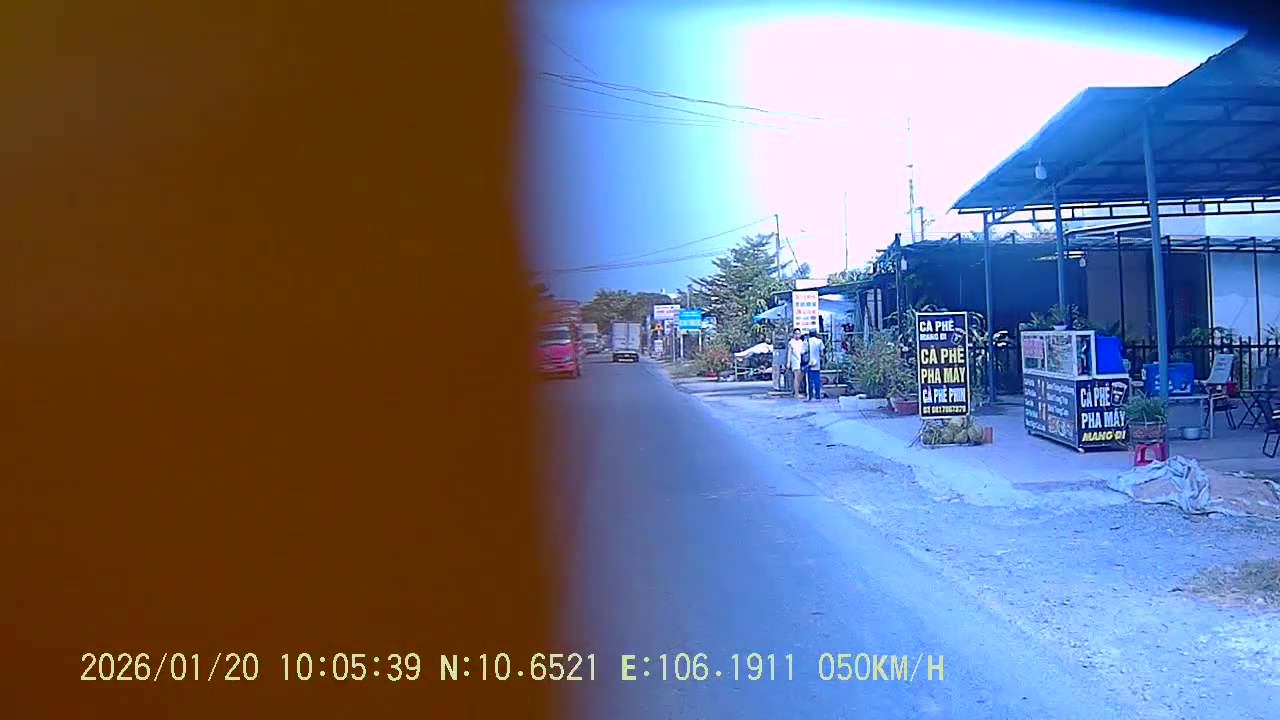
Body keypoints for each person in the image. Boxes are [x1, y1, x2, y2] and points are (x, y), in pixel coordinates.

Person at [787, 328, 806, 399]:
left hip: (802, 361)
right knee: (796, 377)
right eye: (796, 334)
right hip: (795, 361)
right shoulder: (791, 342)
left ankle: (798, 391)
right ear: (793, 334)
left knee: (800, 378)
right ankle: (796, 394)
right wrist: (788, 362)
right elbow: (789, 353)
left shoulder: (802, 342)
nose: (797, 335)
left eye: (798, 333)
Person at [805, 330, 825, 401]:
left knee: (809, 381)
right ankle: (818, 396)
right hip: (817, 364)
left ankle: (810, 396)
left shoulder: (806, 341)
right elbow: (822, 353)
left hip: (808, 363)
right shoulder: (819, 341)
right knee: (817, 380)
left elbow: (803, 351)